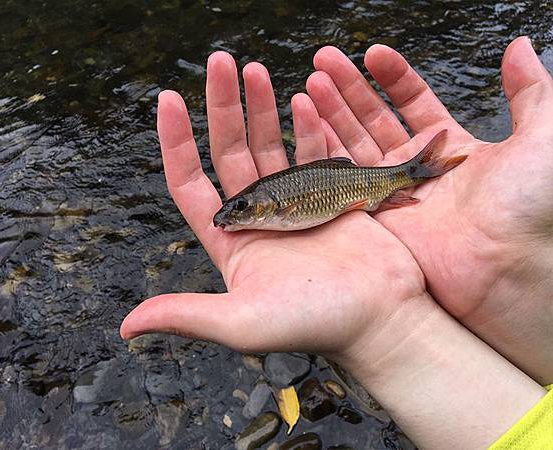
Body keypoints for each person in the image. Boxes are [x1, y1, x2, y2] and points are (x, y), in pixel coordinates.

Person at [120, 36, 553, 449]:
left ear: (268, 207)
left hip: (370, 184)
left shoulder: (280, 208)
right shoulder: (271, 211)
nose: (231, 219)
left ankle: (417, 170)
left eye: (240, 210)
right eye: (237, 211)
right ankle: (416, 171)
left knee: (407, 174)